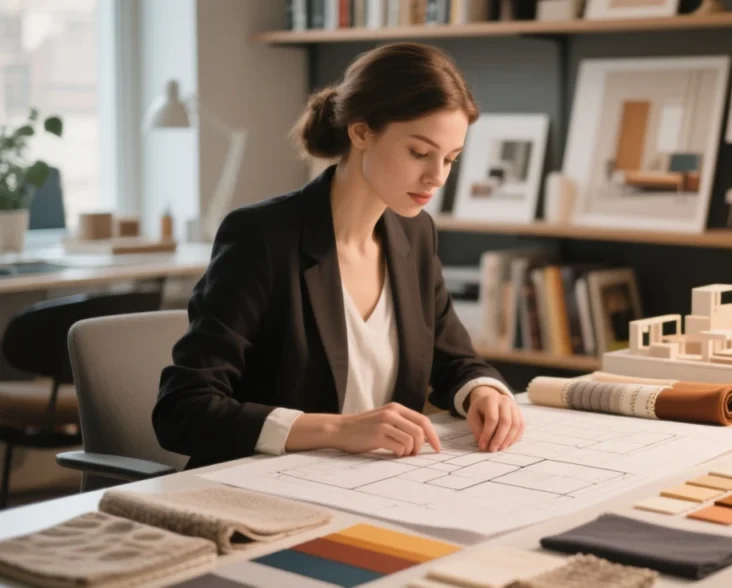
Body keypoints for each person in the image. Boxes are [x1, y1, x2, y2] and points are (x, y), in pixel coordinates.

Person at [153, 42, 524, 470]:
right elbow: (183, 409)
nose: (436, 176)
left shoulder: (415, 234)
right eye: (420, 153)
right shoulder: (262, 237)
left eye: (450, 159)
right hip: (263, 483)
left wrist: (483, 391)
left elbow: (454, 359)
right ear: (361, 132)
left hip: (374, 484)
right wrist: (336, 430)